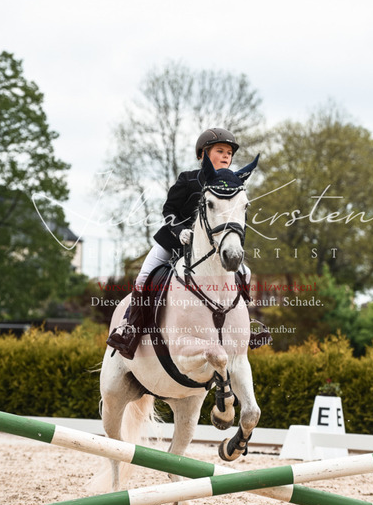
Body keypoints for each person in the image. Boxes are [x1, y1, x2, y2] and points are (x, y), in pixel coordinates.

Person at [107, 127, 271, 359]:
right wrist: (179, 231)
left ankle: (247, 325)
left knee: (245, 273)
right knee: (144, 278)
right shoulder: (188, 179)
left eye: (229, 153)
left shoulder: (233, 184)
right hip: (173, 243)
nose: (226, 156)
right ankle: (129, 329)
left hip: (211, 250)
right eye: (220, 151)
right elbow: (168, 210)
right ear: (203, 154)